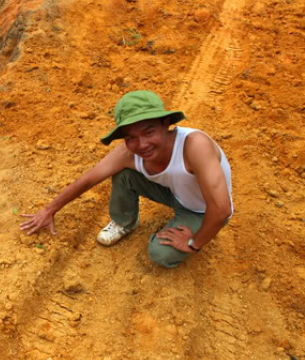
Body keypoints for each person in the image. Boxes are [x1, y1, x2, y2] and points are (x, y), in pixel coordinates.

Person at [19, 90, 233, 268]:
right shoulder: (128, 153)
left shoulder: (194, 146)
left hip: (202, 209)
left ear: (165, 123)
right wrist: (49, 210)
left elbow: (222, 208)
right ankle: (125, 222)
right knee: (123, 173)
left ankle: (187, 229)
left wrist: (194, 243)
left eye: (149, 132)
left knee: (160, 255)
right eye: (131, 138)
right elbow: (89, 179)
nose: (141, 145)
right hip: (176, 193)